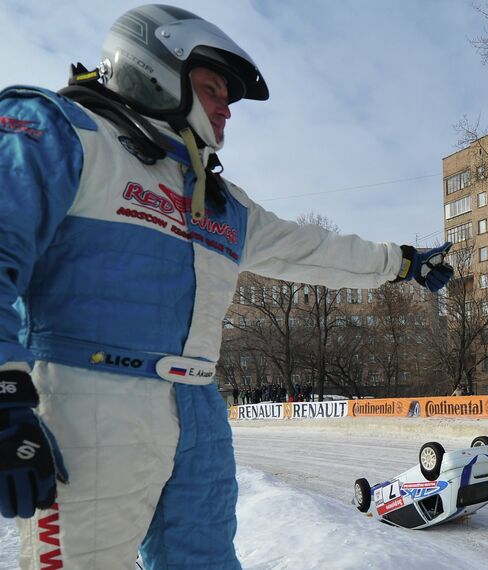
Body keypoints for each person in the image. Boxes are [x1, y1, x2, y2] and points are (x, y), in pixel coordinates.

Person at [0, 5, 454, 569]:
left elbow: (310, 248)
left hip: (198, 406)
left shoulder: (218, 202)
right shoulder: (64, 132)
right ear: (154, 68)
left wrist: (402, 261)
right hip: (86, 398)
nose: (226, 110)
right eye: (213, 89)